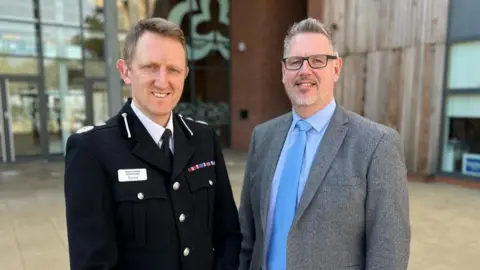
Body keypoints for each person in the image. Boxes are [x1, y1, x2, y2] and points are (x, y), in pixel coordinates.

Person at [64, 17, 241, 270]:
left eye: (173, 69)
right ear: (126, 71)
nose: (162, 81)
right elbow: (93, 262)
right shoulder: (92, 150)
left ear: (185, 74)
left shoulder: (203, 139)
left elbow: (228, 234)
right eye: (150, 67)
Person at [238, 18, 410, 270]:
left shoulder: (377, 145)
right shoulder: (262, 138)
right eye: (295, 62)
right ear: (283, 71)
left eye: (317, 60)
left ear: (336, 69)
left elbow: (388, 252)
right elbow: (247, 235)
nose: (304, 71)